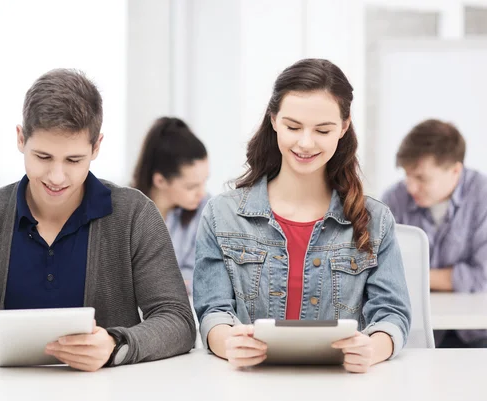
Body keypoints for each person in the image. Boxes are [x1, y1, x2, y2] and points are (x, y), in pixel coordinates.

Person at [0, 69, 196, 371]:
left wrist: (114, 345)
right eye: (43, 157)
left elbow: (177, 321)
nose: (57, 177)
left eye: (73, 160)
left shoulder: (135, 215)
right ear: (21, 138)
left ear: (96, 147)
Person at [193, 59, 411, 373]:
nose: (305, 143)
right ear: (273, 120)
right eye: (293, 127)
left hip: (341, 386)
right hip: (249, 385)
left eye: (322, 130)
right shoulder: (222, 214)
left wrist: (372, 348)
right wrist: (229, 343)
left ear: (344, 127)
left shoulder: (375, 220)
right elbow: (213, 311)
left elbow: (392, 315)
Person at [382, 119, 487, 348]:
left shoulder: (482, 196)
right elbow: (380, 272)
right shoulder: (393, 200)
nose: (410, 187)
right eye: (407, 175)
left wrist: (416, 277)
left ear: (455, 171)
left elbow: (481, 277)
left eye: (421, 178)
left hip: (477, 333)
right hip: (415, 331)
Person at [132, 117, 209, 294]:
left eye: (204, 181)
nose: (202, 192)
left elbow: (202, 275)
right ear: (160, 180)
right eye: (192, 186)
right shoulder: (125, 211)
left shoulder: (205, 210)